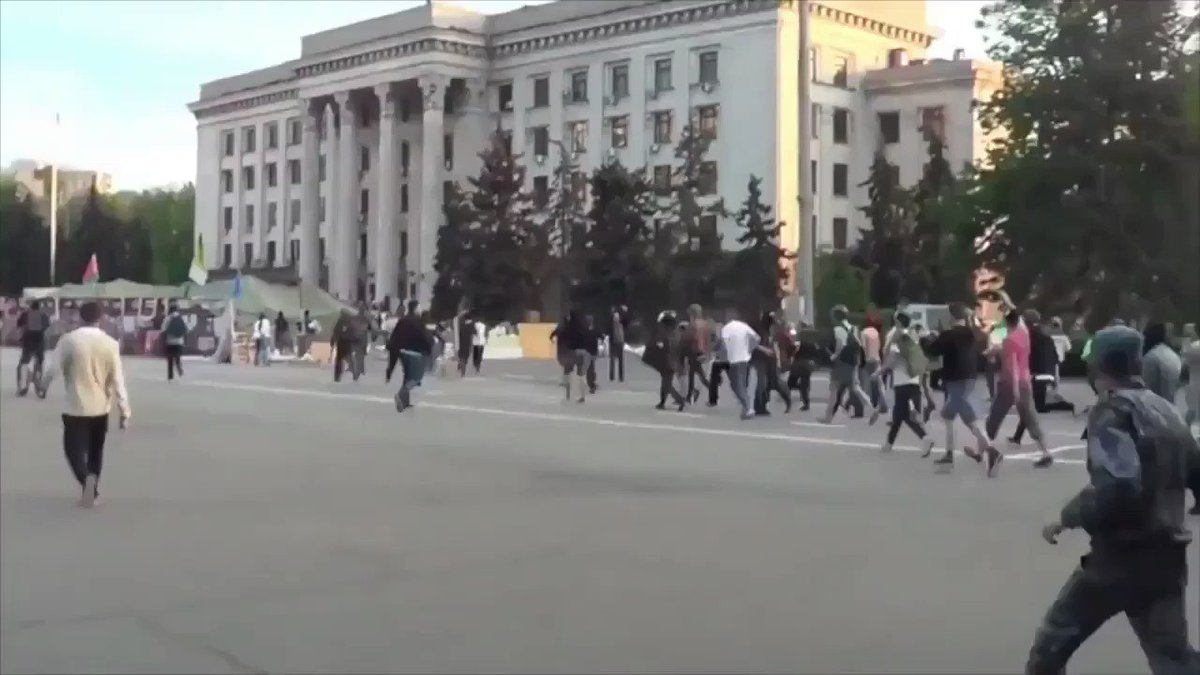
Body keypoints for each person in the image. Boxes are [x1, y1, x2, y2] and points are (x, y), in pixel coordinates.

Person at [1028, 325, 1200, 675]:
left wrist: (1068, 516)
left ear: (1099, 366)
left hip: (1120, 557)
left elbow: (1119, 485)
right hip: (1167, 555)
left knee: (1053, 643)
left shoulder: (1112, 411)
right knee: (1173, 657)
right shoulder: (1167, 410)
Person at [49, 301, 131, 508]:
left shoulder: (69, 340)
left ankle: (86, 481)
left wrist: (42, 385)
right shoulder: (110, 344)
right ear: (101, 318)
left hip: (74, 406)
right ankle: (92, 489)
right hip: (100, 407)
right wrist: (124, 410)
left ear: (80, 316)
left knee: (72, 450)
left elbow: (52, 369)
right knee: (95, 450)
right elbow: (118, 380)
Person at [976, 309, 1052, 474]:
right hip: (1025, 381)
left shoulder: (1009, 340)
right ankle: (1046, 452)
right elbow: (1012, 354)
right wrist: (996, 350)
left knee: (994, 417)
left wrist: (1015, 389)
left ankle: (982, 452)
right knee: (1030, 417)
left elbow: (1012, 366)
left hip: (1010, 383)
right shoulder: (1023, 334)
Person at [926, 302, 990, 468]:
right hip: (970, 378)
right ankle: (949, 453)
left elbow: (932, 351)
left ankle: (991, 451)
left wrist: (931, 337)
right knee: (950, 416)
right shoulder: (970, 333)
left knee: (967, 418)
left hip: (955, 380)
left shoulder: (949, 334)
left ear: (950, 316)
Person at [1011, 310, 1075, 444]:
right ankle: (1017, 437)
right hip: (1048, 374)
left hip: (1034, 376)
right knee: (1034, 407)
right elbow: (1056, 358)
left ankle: (1065, 406)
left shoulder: (1025, 337)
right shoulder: (1047, 337)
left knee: (1030, 407)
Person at [881, 311, 935, 456]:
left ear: (898, 322)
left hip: (902, 381)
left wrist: (880, 371)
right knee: (899, 415)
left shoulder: (898, 337)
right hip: (914, 380)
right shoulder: (913, 337)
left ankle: (925, 437)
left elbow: (891, 358)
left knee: (902, 414)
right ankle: (888, 444)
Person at [820, 305, 869, 425]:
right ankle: (873, 408)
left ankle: (828, 417)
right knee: (856, 388)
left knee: (834, 389)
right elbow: (859, 344)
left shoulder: (838, 329)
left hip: (841, 363)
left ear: (836, 316)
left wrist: (833, 356)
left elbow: (840, 344)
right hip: (852, 362)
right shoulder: (853, 328)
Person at [387, 300, 433, 412]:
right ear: (416, 308)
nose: (420, 309)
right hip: (415, 353)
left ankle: (405, 402)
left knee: (407, 375)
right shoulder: (417, 321)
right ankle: (400, 394)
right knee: (416, 378)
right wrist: (429, 349)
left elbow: (395, 337)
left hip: (402, 352)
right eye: (419, 307)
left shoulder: (403, 320)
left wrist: (391, 365)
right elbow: (424, 336)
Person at [719, 308, 757, 420]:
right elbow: (757, 338)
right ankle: (746, 409)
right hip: (745, 360)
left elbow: (723, 344)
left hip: (734, 360)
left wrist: (723, 357)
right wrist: (749, 349)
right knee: (742, 385)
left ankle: (748, 408)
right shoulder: (744, 326)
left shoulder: (726, 328)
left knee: (736, 385)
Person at [1141, 322, 1182, 405]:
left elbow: (1145, 387)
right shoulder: (1172, 354)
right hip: (1171, 405)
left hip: (1155, 406)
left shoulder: (1151, 357)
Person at [16, 299, 51, 395]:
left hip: (28, 341)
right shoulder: (44, 315)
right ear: (39, 307)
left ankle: (23, 386)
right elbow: (47, 327)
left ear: (31, 306)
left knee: (24, 363)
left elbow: (19, 325)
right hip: (40, 340)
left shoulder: (25, 314)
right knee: (39, 362)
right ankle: (38, 383)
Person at [682, 304, 714, 404]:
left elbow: (689, 338)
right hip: (702, 352)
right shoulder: (706, 324)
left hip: (693, 351)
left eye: (690, 313)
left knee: (697, 374)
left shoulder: (693, 324)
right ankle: (690, 394)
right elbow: (710, 339)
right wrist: (708, 352)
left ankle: (710, 391)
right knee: (693, 373)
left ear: (693, 313)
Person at [860, 312, 887, 418]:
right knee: (879, 383)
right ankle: (883, 404)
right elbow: (879, 346)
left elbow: (862, 346)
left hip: (867, 359)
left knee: (864, 383)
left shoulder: (864, 332)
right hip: (876, 359)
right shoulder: (876, 332)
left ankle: (866, 405)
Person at [787, 324, 820, 412]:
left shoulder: (799, 342)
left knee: (791, 382)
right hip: (808, 365)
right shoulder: (813, 344)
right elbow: (817, 354)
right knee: (804, 384)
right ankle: (806, 403)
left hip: (798, 364)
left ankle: (794, 394)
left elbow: (794, 351)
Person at [161, 303, 188, 381]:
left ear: (170, 309)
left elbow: (163, 330)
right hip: (179, 342)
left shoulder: (167, 318)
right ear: (177, 309)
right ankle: (180, 372)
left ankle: (170, 377)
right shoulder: (182, 318)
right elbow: (186, 330)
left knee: (170, 360)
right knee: (177, 358)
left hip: (170, 342)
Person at [608, 305, 629, 382]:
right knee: (617, 359)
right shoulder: (615, 320)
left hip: (617, 340)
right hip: (617, 340)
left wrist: (625, 312)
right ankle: (618, 377)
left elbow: (626, 322)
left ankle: (614, 376)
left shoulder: (620, 320)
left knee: (615, 359)